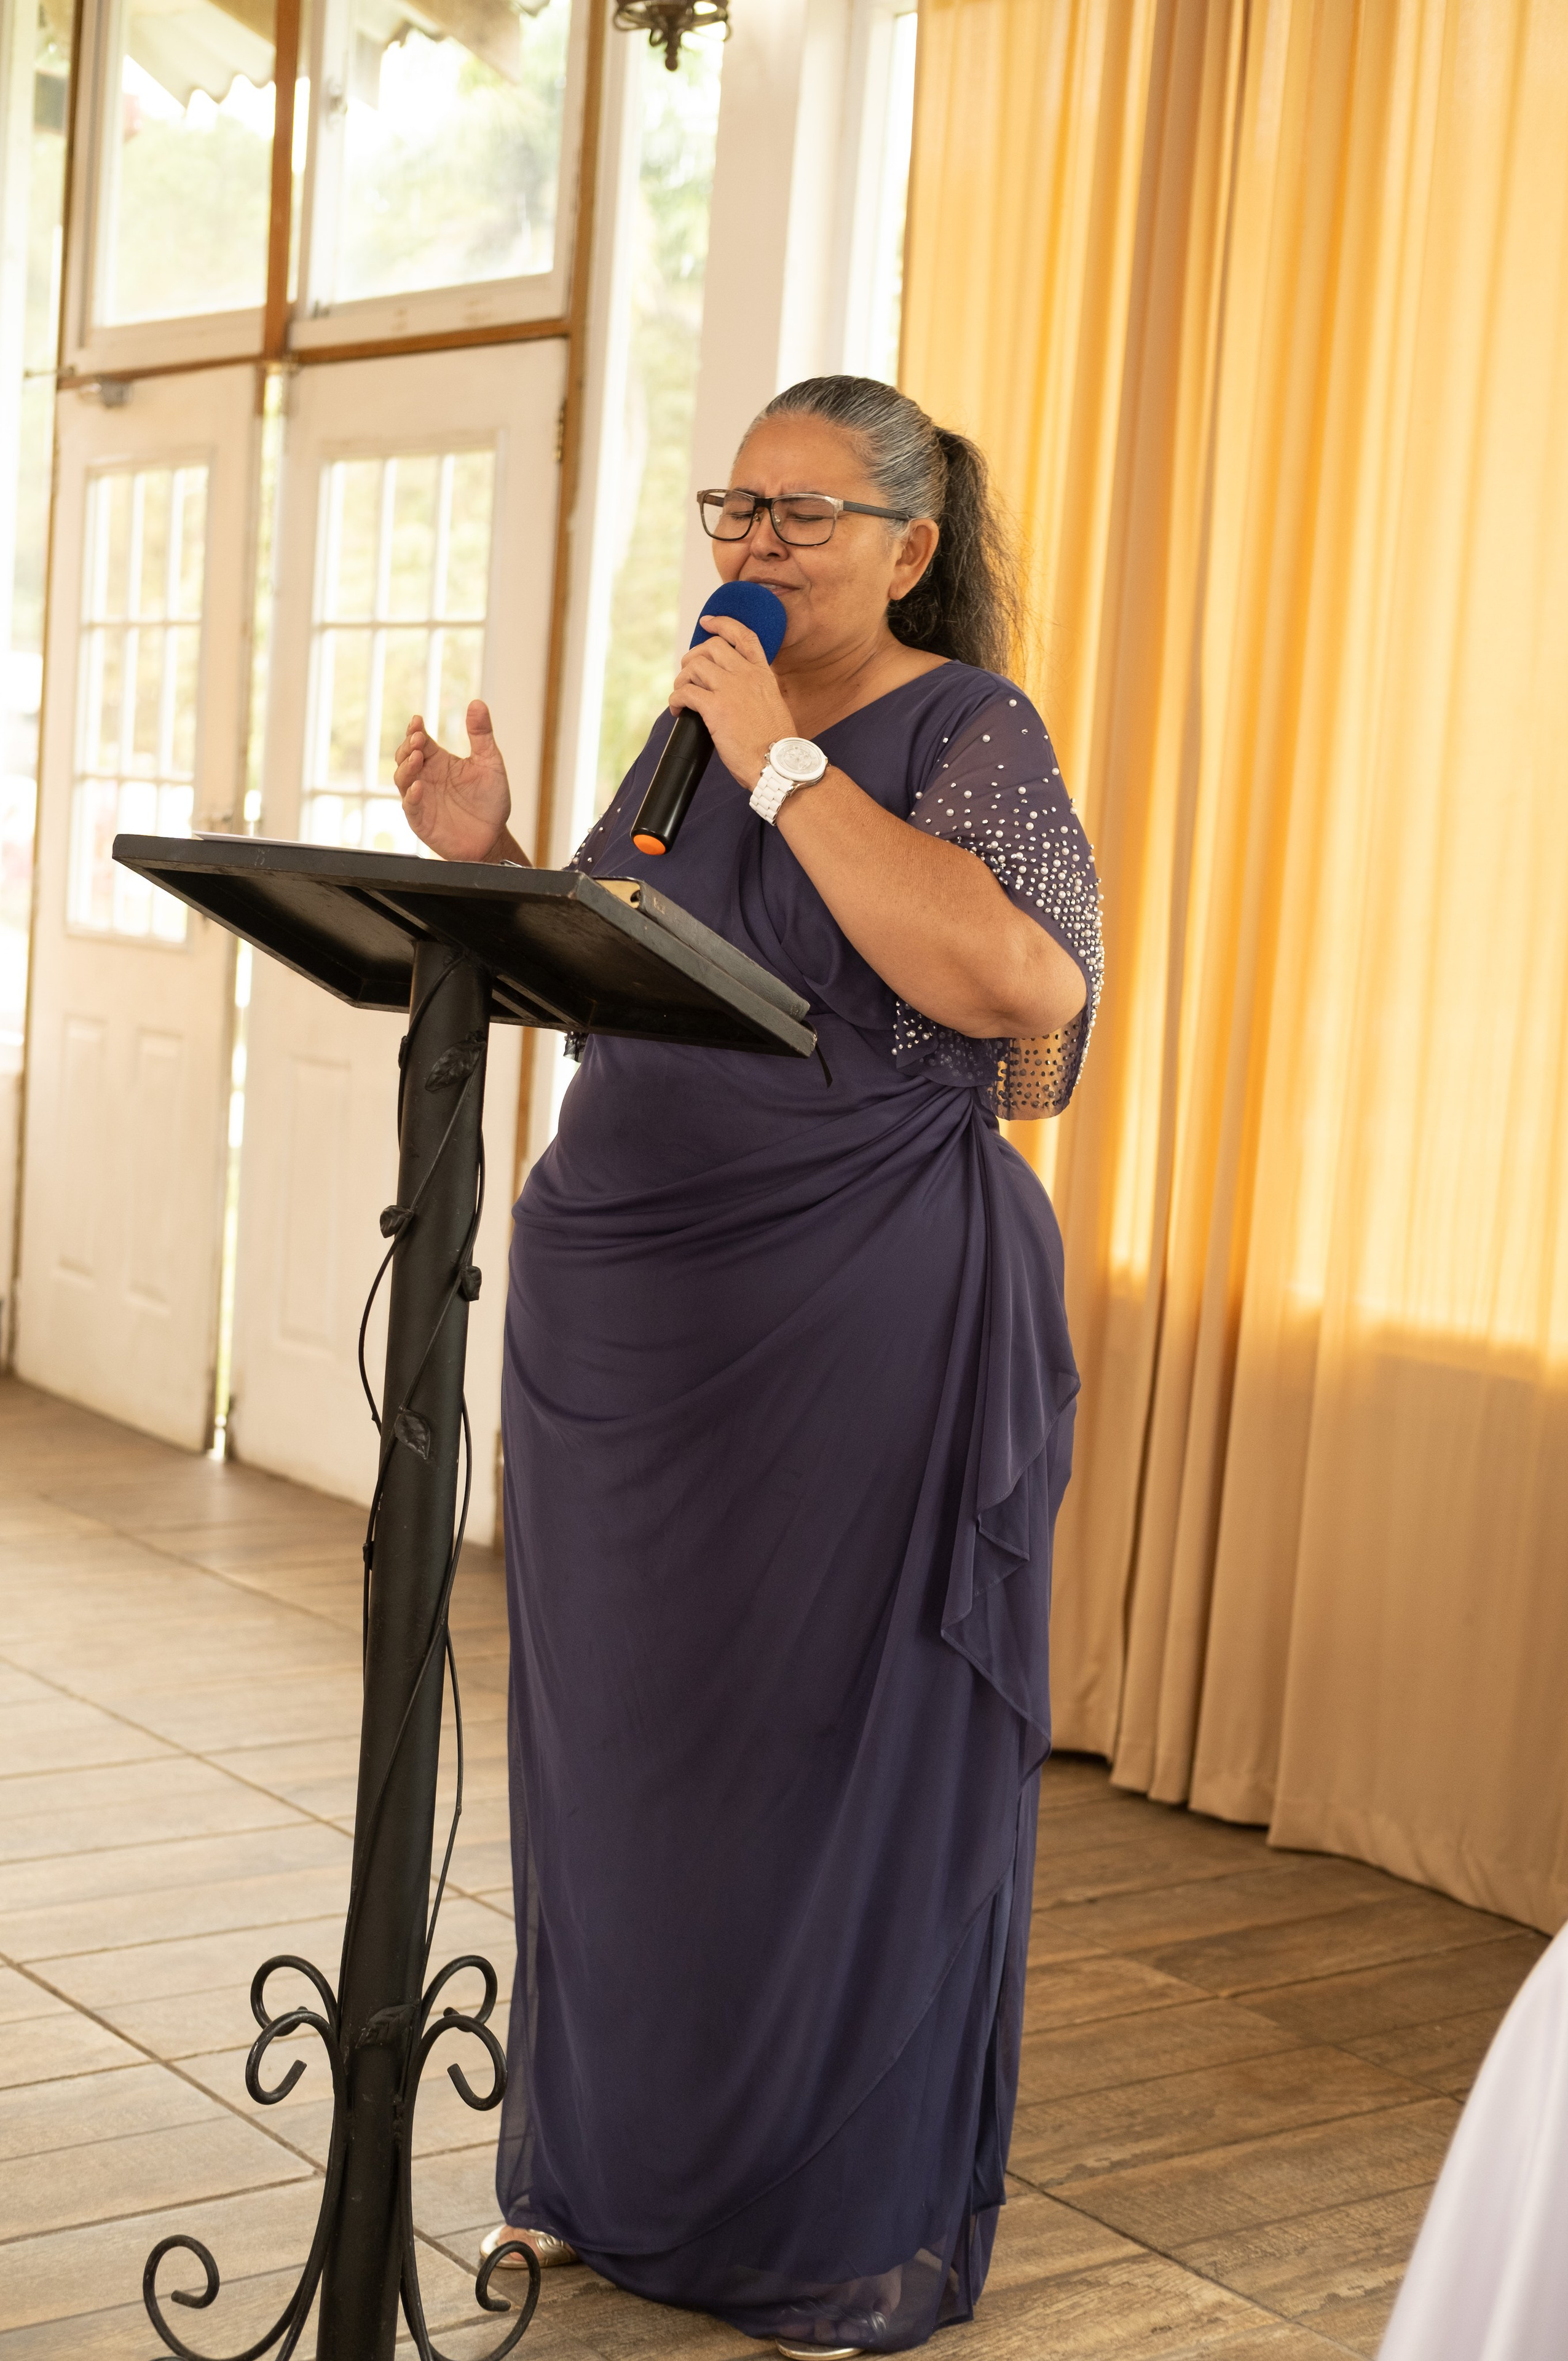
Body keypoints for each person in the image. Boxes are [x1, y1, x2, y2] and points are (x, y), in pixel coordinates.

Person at [393, 375, 1103, 2357]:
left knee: (817, 1763)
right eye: (738, 508)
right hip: (636, 1326)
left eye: (803, 515)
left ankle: (820, 2225)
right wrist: (498, 848)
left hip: (848, 1324)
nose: (757, 546)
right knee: (640, 1766)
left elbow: (1015, 990)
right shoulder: (695, 725)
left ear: (911, 543)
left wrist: (786, 762)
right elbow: (610, 972)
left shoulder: (960, 730)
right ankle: (624, 2182)